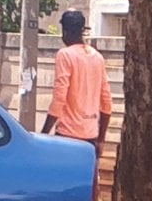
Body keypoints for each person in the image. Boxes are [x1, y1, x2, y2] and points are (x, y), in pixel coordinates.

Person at [42, 9, 111, 159]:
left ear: (65, 31)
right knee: (87, 175)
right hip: (91, 137)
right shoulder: (98, 57)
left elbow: (59, 99)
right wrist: (101, 140)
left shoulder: (65, 55)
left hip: (67, 136)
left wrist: (44, 135)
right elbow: (106, 102)